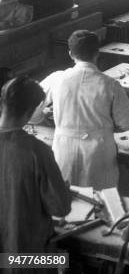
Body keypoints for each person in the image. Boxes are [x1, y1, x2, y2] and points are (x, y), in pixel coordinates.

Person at [31, 30, 129, 190]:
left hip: (64, 148)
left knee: (66, 200)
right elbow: (126, 123)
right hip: (99, 152)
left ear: (71, 54)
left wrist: (42, 117)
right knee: (101, 202)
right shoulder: (110, 84)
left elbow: (31, 112)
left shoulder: (56, 78)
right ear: (97, 53)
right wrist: (105, 127)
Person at [0, 76, 71, 255]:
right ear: (30, 112)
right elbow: (60, 208)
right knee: (64, 260)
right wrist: (63, 190)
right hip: (25, 257)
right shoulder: (37, 152)